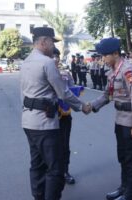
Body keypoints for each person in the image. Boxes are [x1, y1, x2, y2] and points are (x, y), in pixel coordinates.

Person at [20, 27, 90, 200]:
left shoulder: (26, 62)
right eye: (52, 42)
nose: (53, 46)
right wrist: (82, 107)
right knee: (55, 168)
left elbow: (23, 93)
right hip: (45, 123)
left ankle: (38, 196)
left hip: (28, 121)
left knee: (37, 164)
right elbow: (63, 92)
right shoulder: (47, 62)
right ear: (43, 41)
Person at [90, 37, 132, 200]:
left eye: (105, 56)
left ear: (115, 53)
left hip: (131, 122)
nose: (103, 59)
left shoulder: (128, 71)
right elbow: (107, 95)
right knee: (122, 156)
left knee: (131, 157)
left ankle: (130, 193)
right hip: (120, 121)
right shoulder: (113, 72)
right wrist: (92, 106)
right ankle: (123, 187)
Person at [53, 47, 77, 184]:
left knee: (65, 145)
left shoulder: (66, 74)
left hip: (65, 115)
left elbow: (72, 91)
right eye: (52, 56)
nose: (55, 59)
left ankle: (65, 171)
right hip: (49, 115)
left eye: (57, 56)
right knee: (51, 146)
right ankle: (53, 172)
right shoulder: (44, 74)